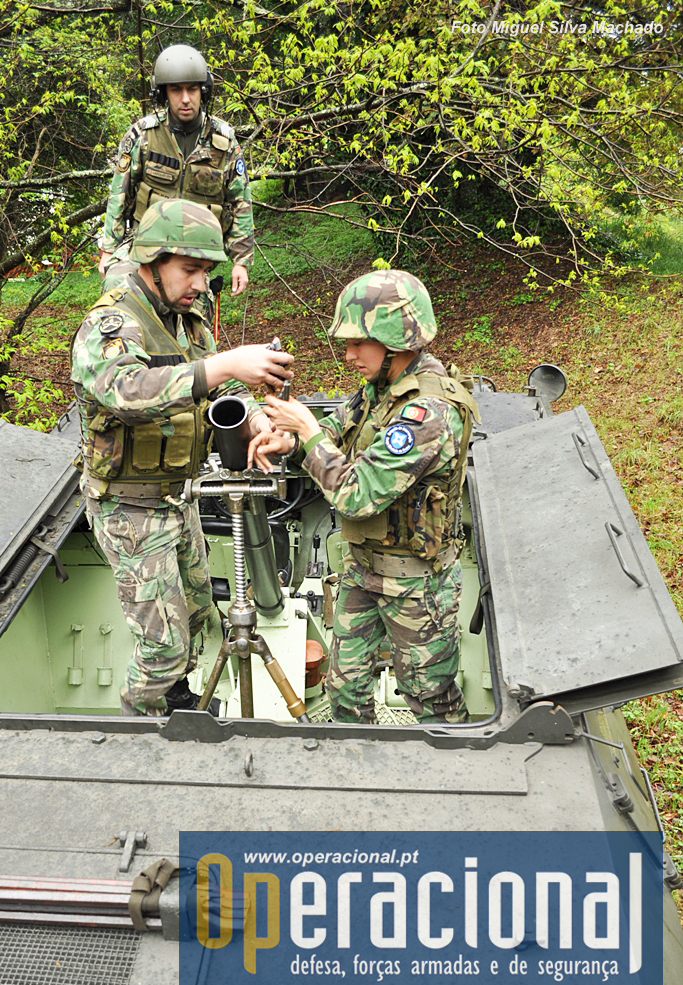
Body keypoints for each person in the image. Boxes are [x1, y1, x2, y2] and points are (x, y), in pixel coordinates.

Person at [71, 198, 292, 716]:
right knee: (161, 648)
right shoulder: (111, 323)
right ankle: (138, 733)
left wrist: (256, 419)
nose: (200, 284)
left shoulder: (186, 321)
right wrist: (222, 365)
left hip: (178, 496)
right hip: (128, 508)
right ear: (154, 260)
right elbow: (124, 392)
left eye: (206, 272)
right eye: (190, 270)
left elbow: (218, 392)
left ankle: (174, 704)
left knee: (194, 618)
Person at [251, 269, 480, 725]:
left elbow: (356, 496)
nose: (349, 354)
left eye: (360, 343)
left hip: (416, 584)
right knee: (345, 689)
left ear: (396, 340)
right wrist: (293, 445)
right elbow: (334, 435)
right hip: (364, 570)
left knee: (430, 698)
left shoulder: (427, 412)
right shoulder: (380, 391)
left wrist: (308, 432)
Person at [98, 43, 253, 305]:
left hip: (196, 255)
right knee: (118, 291)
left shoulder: (224, 142)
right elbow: (119, 194)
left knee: (194, 330)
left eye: (192, 89)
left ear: (203, 91)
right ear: (163, 94)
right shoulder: (143, 135)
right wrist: (108, 250)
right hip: (143, 246)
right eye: (176, 90)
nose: (185, 98)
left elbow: (241, 202)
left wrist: (241, 262)